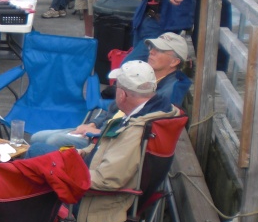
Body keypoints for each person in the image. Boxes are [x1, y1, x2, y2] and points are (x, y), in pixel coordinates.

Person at [74, 60, 180, 222]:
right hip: (116, 186)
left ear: (122, 95)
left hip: (102, 199)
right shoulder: (157, 113)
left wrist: (64, 174)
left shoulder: (135, 130)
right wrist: (81, 154)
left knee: (37, 169)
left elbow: (107, 179)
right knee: (45, 157)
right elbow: (106, 148)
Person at [30, 32, 190, 150]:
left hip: (112, 140)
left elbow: (139, 127)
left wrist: (98, 131)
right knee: (37, 137)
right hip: (104, 127)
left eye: (160, 50)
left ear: (174, 62)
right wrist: (93, 123)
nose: (152, 51)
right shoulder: (147, 75)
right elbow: (116, 106)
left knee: (51, 142)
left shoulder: (170, 90)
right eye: (152, 47)